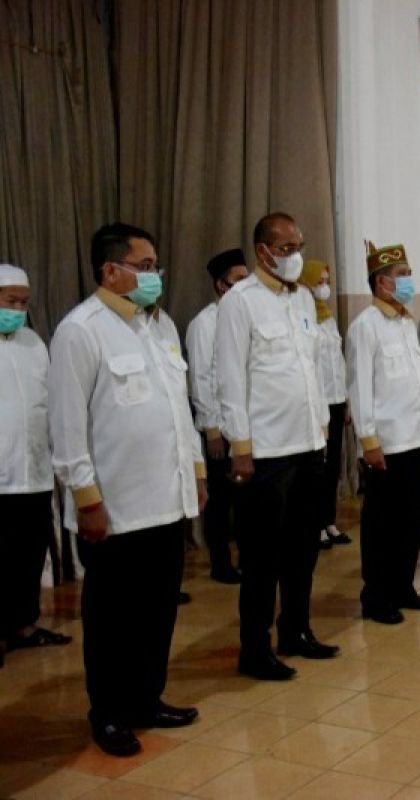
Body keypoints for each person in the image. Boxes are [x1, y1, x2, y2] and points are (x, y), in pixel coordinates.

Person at [49, 224, 205, 756]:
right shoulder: (81, 330)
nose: (153, 275)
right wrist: (86, 499)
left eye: (156, 264)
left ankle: (146, 698)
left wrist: (197, 472)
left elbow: (178, 412)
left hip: (167, 499)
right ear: (110, 270)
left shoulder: (158, 328)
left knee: (159, 609)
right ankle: (109, 713)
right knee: (112, 618)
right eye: (144, 265)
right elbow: (68, 429)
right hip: (114, 508)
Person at [215, 212, 338, 682]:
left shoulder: (304, 299)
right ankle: (254, 648)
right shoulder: (240, 303)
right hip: (265, 451)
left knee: (303, 548)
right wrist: (239, 447)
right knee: (262, 556)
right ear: (263, 251)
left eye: (299, 245)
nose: (295, 256)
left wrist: (321, 427)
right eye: (287, 248)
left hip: (307, 443)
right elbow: (231, 377)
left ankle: (297, 630)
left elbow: (309, 369)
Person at [347, 243, 420, 624]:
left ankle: (403, 585)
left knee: (412, 519)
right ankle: (376, 595)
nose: (407, 281)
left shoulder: (405, 323)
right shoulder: (365, 327)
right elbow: (360, 388)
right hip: (385, 443)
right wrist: (368, 441)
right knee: (382, 523)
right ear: (382, 282)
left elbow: (416, 384)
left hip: (413, 438)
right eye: (402, 275)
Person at [0, 264, 71, 670]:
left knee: (29, 552)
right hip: (1, 474)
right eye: (11, 302)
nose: (18, 310)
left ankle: (24, 626)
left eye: (23, 303)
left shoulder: (33, 343)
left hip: (35, 471)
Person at [186, 248, 249, 584]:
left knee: (244, 501)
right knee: (220, 503)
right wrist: (212, 428)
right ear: (221, 284)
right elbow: (201, 378)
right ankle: (221, 563)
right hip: (218, 431)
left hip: (244, 428)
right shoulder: (204, 323)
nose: (244, 285)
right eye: (239, 279)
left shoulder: (242, 318)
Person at [298, 260, 351, 550]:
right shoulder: (305, 318)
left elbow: (337, 362)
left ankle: (328, 520)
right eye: (319, 281)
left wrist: (346, 400)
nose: (324, 286)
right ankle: (314, 525)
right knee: (315, 469)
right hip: (316, 403)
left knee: (333, 466)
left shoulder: (328, 318)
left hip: (335, 399)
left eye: (326, 280)